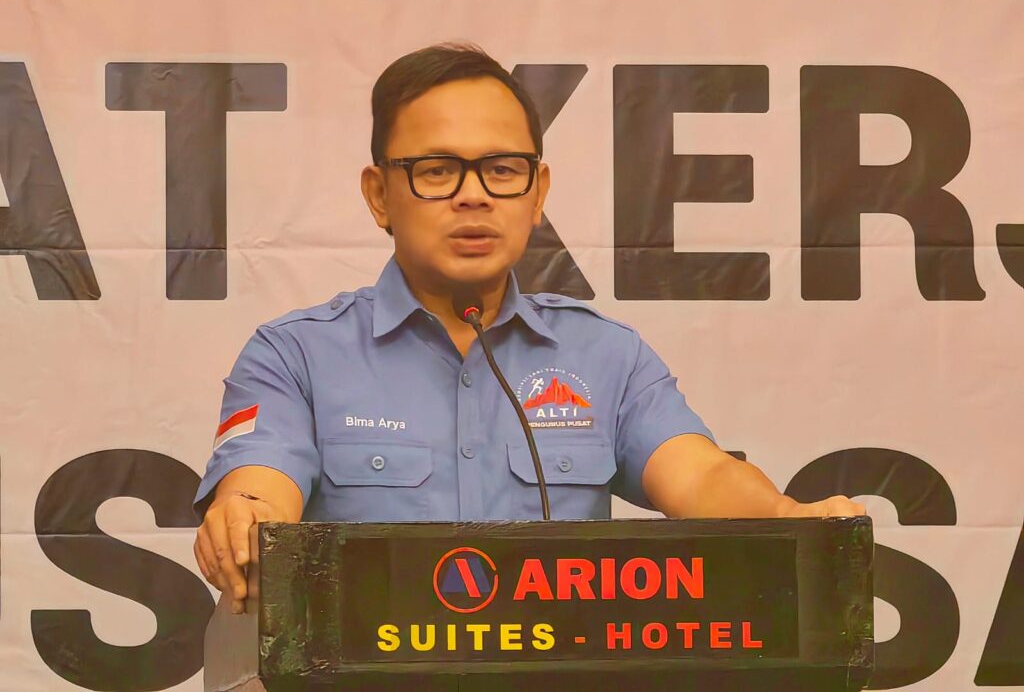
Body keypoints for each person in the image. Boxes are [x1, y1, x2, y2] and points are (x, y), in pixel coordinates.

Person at [192, 43, 866, 613]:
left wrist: (786, 518)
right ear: (379, 195)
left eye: (502, 170)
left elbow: (701, 476)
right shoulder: (295, 355)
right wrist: (244, 516)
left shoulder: (605, 356)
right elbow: (259, 486)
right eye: (437, 171)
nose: (474, 195)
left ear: (537, 193)